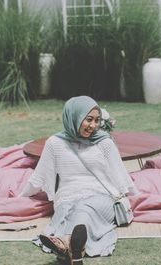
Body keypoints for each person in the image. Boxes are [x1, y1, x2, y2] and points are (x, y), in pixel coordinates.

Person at [19, 96, 138, 265]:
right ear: (74, 116)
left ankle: (66, 243)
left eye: (97, 120)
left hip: (102, 198)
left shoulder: (104, 142)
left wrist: (135, 197)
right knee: (70, 209)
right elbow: (40, 177)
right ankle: (75, 252)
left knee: (83, 208)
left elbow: (120, 175)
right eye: (88, 120)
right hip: (67, 197)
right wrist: (20, 197)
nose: (93, 125)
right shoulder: (55, 143)